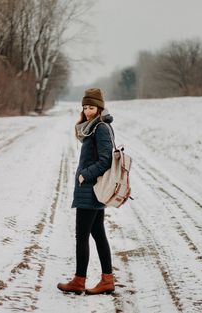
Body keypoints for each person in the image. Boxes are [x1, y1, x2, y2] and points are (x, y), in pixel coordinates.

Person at [57, 88, 115, 295]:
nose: (87, 111)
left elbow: (106, 160)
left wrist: (85, 175)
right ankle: (107, 279)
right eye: (85, 107)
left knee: (82, 235)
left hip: (90, 189)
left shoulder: (100, 127)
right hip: (90, 189)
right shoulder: (93, 126)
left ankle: (79, 281)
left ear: (99, 107)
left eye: (91, 107)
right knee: (98, 233)